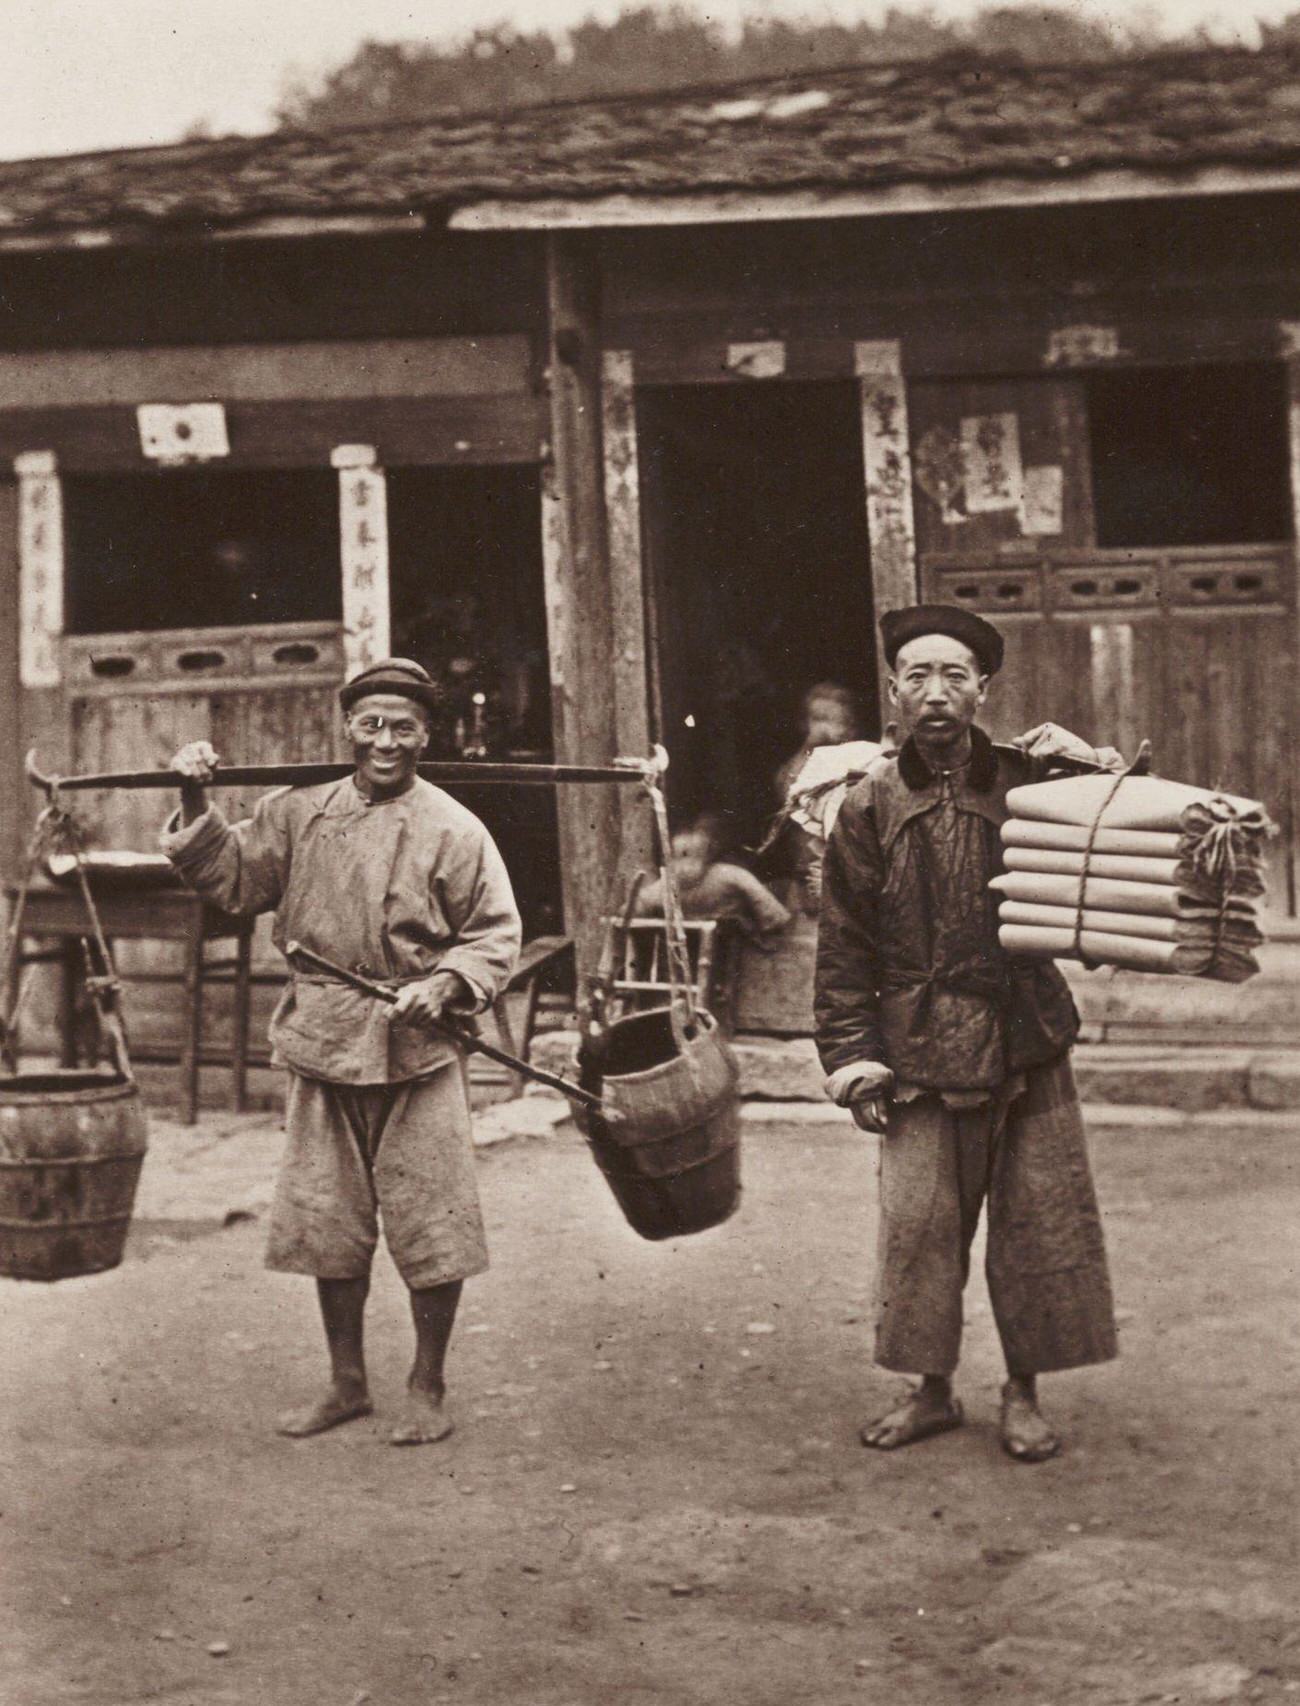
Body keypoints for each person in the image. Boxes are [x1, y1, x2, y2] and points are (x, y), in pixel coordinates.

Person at [161, 657, 521, 1446]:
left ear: (427, 735)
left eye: (402, 727)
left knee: (434, 1220)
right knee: (329, 1219)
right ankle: (346, 1382)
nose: (385, 742)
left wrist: (449, 981)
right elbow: (232, 882)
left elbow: (495, 933)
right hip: (323, 1038)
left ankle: (427, 1383)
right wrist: (195, 796)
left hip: (418, 1045)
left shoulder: (456, 829)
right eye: (370, 725)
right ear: (347, 730)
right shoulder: (297, 812)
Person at [814, 605, 1122, 1463]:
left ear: (984, 689)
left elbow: (1118, 837)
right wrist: (852, 1058)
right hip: (914, 1048)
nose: (937, 693)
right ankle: (932, 1391)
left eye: (955, 675)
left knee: (1036, 1225)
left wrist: (1099, 772)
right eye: (918, 675)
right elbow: (843, 945)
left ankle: (1023, 1392)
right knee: (918, 1233)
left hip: (1023, 1033)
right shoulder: (868, 806)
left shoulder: (1032, 781)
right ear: (894, 692)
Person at [635, 814, 792, 942]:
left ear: (708, 856)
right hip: (706, 944)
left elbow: (764, 902)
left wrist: (769, 922)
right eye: (680, 857)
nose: (685, 867)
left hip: (714, 945)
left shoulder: (724, 874)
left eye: (692, 856)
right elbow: (644, 900)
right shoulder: (671, 883)